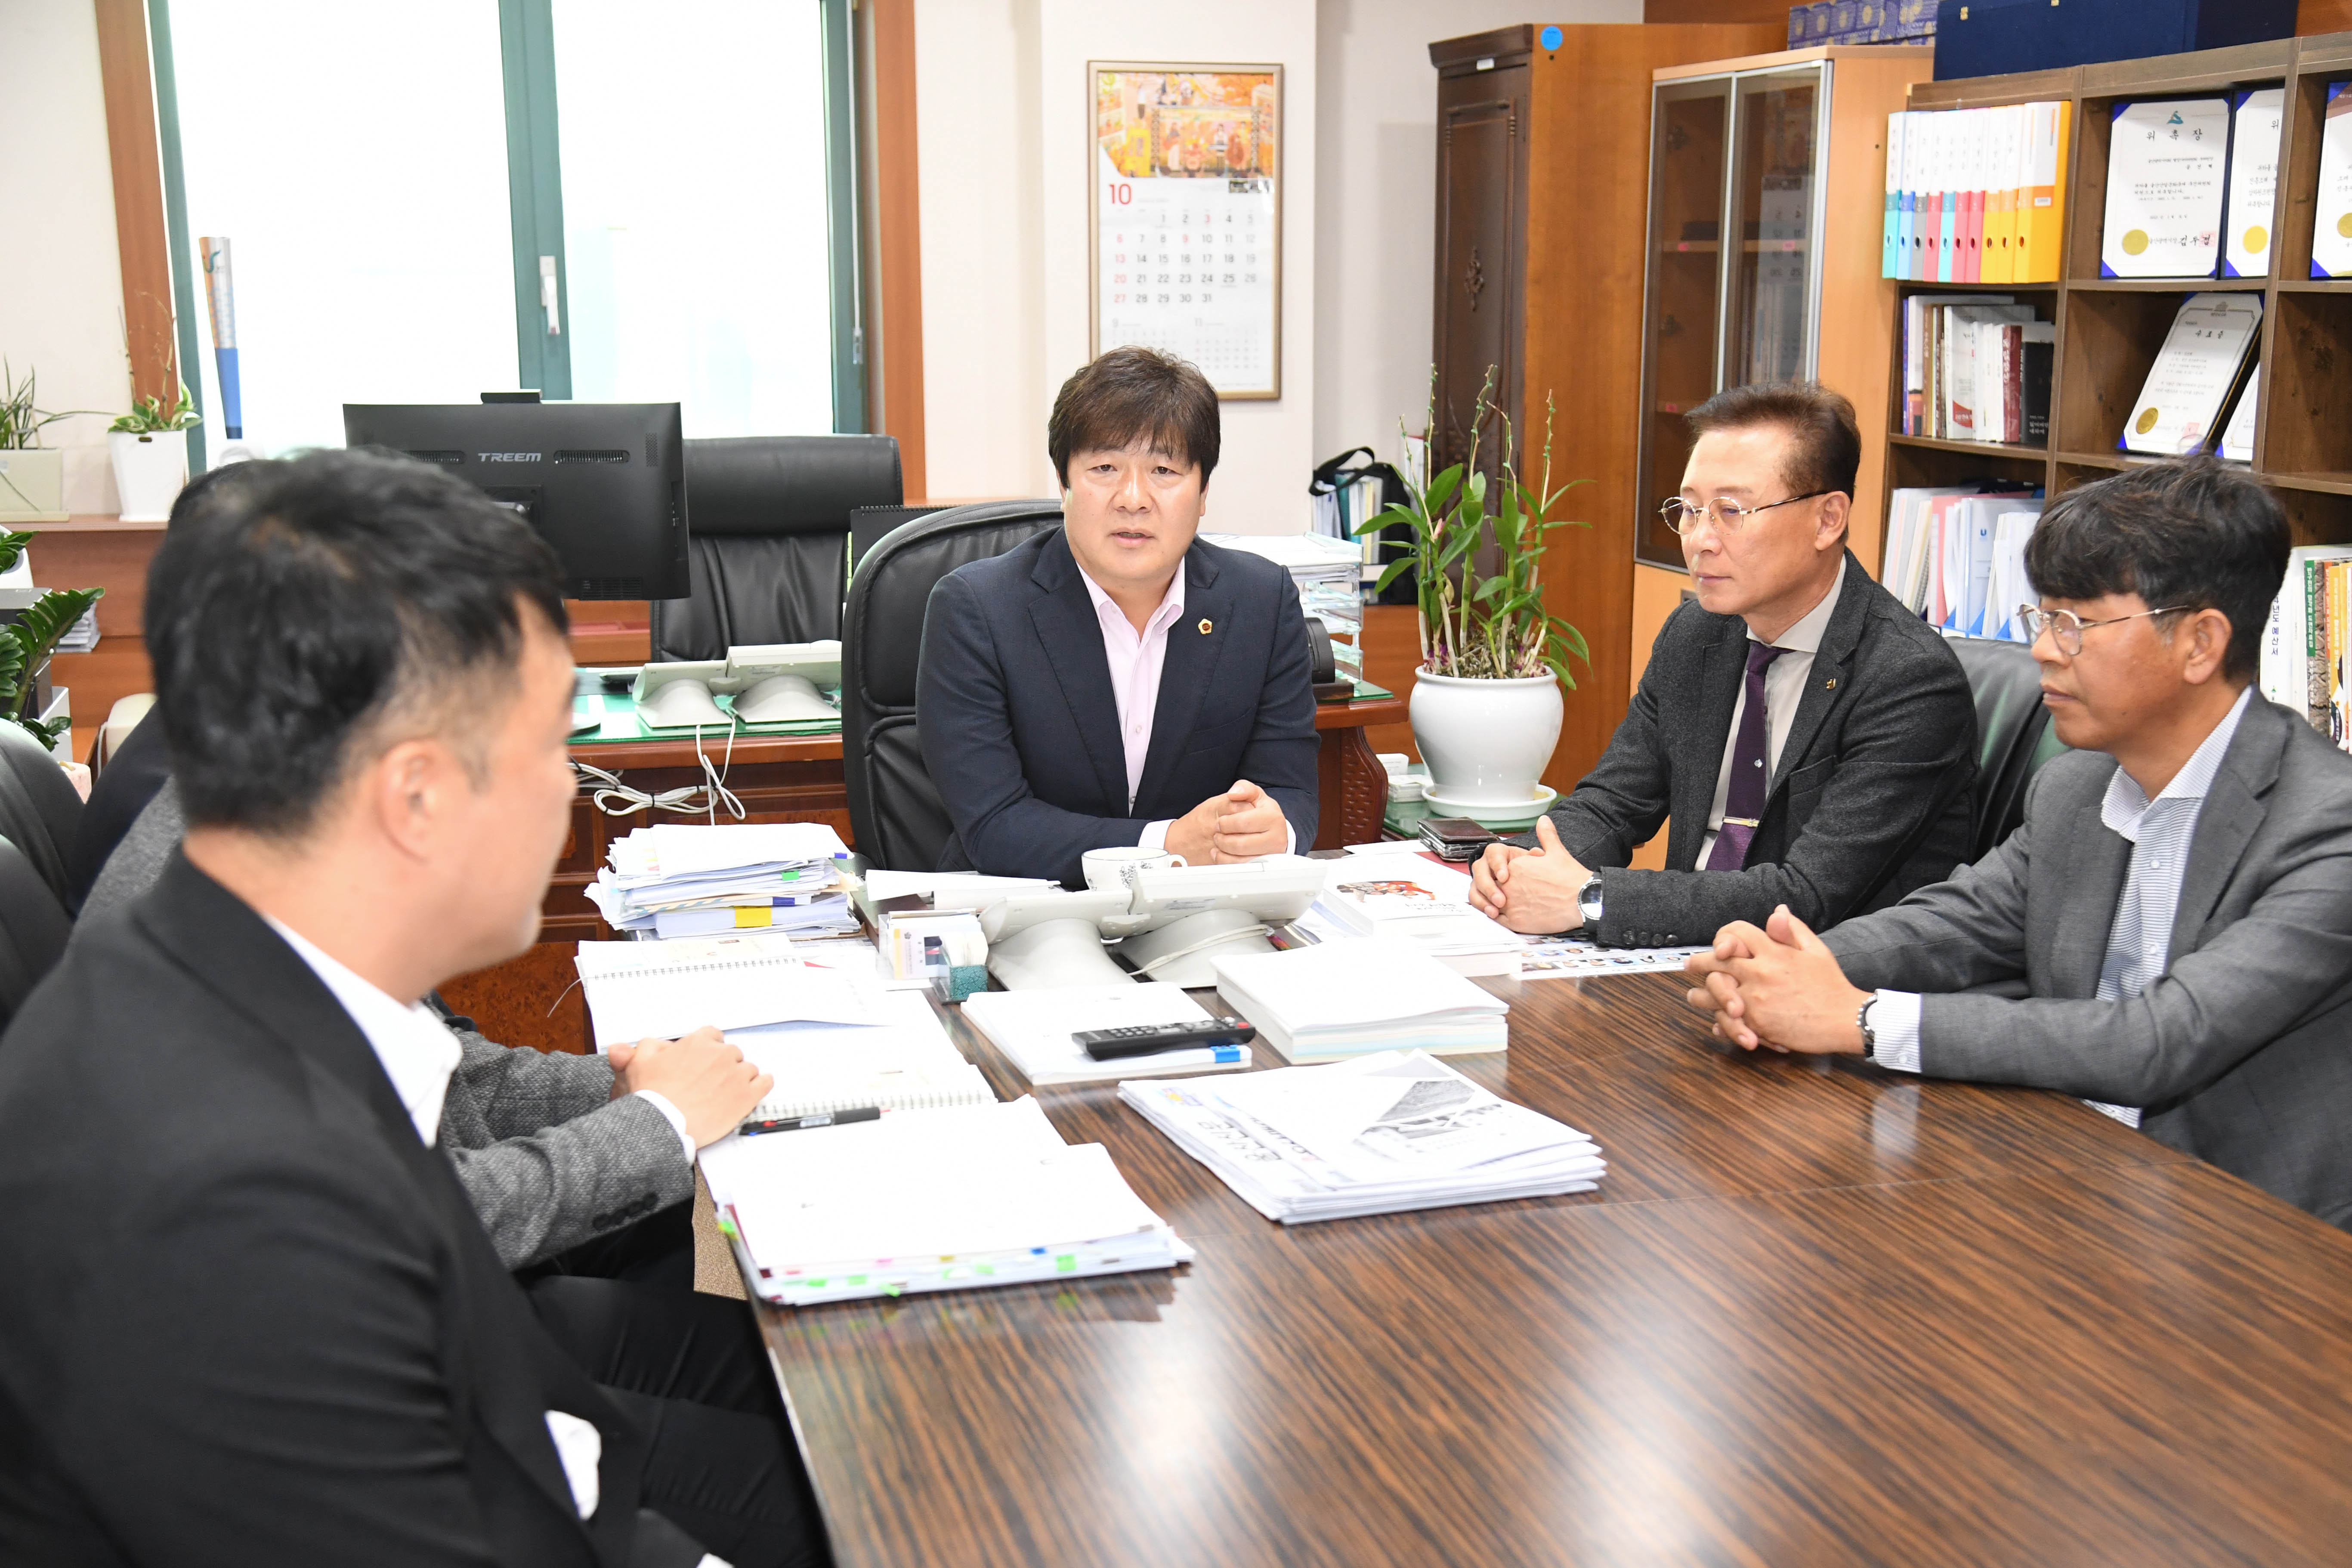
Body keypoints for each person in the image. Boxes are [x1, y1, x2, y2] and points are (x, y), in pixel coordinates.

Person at [0, 450, 825, 1565]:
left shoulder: (246, 962)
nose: (574, 785)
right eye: (549, 746)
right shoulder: (233, 1199)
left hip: (534, 1447)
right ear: (419, 796)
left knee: (861, 1396)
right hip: (526, 1490)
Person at [1685, 458, 2352, 1229]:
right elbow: (1955, 923)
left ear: (2200, 641)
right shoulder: (2079, 787)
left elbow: (2161, 1038)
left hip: (2257, 1233)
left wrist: (1861, 1018)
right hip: (2066, 1172)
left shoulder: (2327, 823)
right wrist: (1787, 966)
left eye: (2075, 624)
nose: (2042, 650)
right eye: (2043, 619)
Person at [81, 773, 710, 1282]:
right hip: (386, 1356)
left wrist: (635, 1080)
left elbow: (458, 1082)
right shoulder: (231, 899)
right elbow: (405, 1217)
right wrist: (654, 1120)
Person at [1469, 381, 1975, 946]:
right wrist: (1523, 861)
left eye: (1731, 511)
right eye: (1688, 509)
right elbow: (1613, 805)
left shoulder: (1907, 679)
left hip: (1816, 989)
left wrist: (1590, 897)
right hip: (1681, 959)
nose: (1700, 539)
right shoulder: (1698, 635)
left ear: (1828, 519)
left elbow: (1806, 895)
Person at [917, 345, 1317, 888]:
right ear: (1063, 484)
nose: (1133, 498)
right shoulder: (977, 610)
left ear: (1203, 493)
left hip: (1203, 908)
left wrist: (1275, 832)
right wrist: (1166, 845)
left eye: (1164, 470)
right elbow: (994, 825)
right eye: (1104, 468)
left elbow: (1291, 793)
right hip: (1027, 908)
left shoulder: (1261, 603)